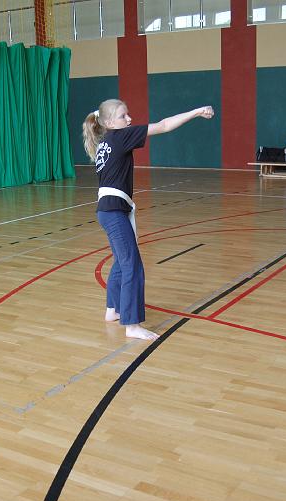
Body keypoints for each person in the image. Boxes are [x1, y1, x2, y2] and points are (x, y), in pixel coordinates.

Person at [83, 99, 214, 340]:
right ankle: (132, 325)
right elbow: (163, 125)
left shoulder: (106, 143)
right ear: (110, 122)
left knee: (122, 261)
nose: (129, 119)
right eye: (123, 116)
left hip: (108, 210)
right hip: (113, 212)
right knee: (132, 265)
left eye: (128, 114)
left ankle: (112, 309)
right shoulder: (120, 136)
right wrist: (195, 112)